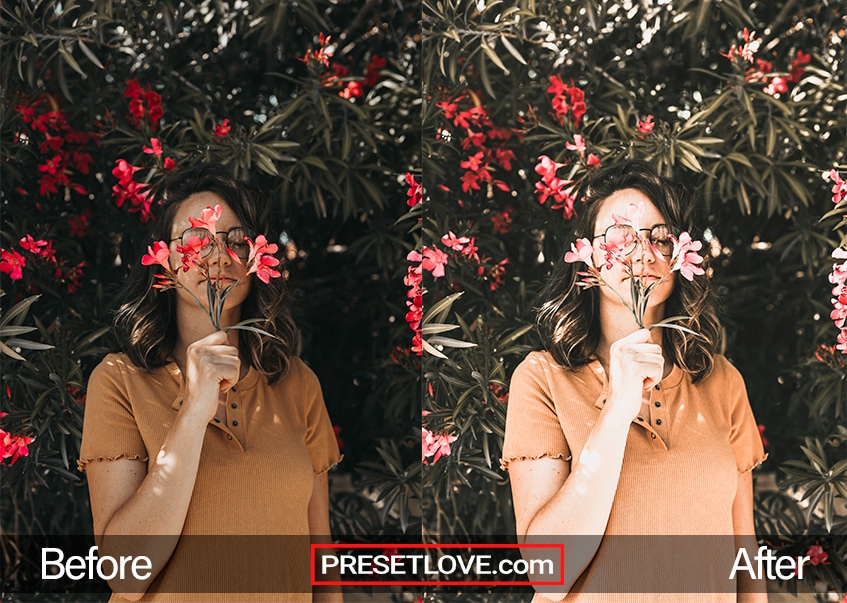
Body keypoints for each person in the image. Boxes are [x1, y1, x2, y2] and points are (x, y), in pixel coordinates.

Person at [501, 160, 767, 602]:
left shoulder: (721, 380)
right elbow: (550, 574)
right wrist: (619, 407)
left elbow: (745, 554)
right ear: (587, 258)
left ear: (679, 258)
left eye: (658, 237)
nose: (640, 253)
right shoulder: (542, 379)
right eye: (619, 237)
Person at [78, 163, 342, 602]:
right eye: (196, 240)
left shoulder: (297, 383)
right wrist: (194, 410)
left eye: (234, 240)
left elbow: (320, 557)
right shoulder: (120, 381)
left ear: (255, 262)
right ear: (165, 263)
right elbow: (125, 575)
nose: (216, 255)